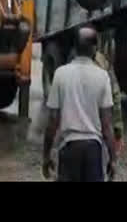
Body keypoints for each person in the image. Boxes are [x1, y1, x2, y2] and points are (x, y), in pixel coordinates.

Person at [42, 25, 116, 182]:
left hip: (69, 148)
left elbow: (52, 121)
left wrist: (46, 155)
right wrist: (113, 158)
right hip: (93, 150)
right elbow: (107, 124)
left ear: (74, 48)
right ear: (95, 49)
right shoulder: (102, 77)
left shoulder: (60, 75)